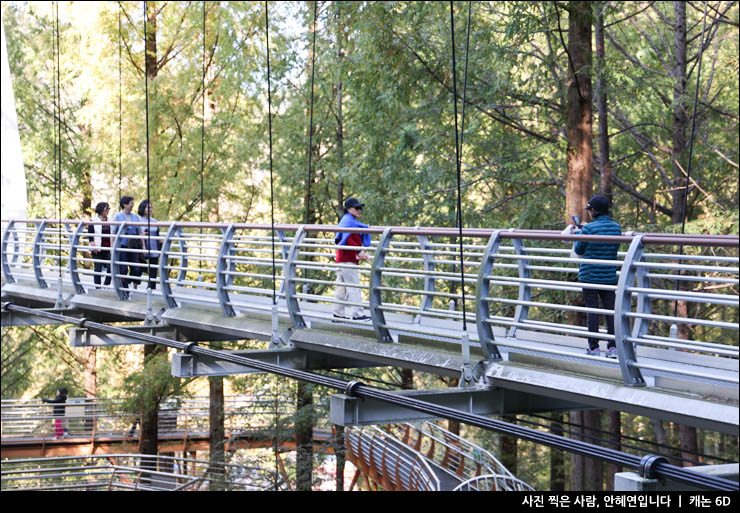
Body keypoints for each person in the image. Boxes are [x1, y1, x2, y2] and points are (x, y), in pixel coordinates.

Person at [571, 195, 622, 358]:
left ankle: (594, 348)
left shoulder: (588, 229)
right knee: (611, 311)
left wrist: (580, 233)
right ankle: (613, 347)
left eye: (590, 210)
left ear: (594, 211)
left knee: (592, 312)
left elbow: (579, 250)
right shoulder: (616, 228)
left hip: (589, 276)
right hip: (608, 276)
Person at [333, 197, 372, 321]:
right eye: (357, 208)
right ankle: (358, 314)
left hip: (341, 258)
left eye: (360, 208)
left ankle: (338, 314)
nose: (359, 210)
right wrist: (359, 251)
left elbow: (345, 239)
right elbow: (348, 240)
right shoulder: (349, 223)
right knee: (354, 286)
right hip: (347, 259)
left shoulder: (347, 221)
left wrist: (359, 252)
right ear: (348, 209)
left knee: (341, 288)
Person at [111, 196, 142, 292]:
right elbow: (112, 233)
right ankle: (125, 290)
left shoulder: (136, 217)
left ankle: (129, 281)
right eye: (131, 203)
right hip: (122, 246)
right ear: (125, 204)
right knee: (123, 268)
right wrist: (112, 248)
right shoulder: (117, 217)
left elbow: (139, 231)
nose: (132, 205)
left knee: (136, 268)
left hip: (133, 246)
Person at [88, 202, 112, 288]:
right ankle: (97, 287)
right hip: (98, 248)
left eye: (108, 209)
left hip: (109, 249)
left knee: (111, 266)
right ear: (101, 210)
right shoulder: (93, 220)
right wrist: (93, 246)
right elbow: (90, 235)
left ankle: (106, 284)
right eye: (106, 209)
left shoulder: (111, 221)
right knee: (97, 269)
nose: (108, 211)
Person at [137, 200, 160, 289]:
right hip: (143, 247)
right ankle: (135, 283)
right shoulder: (138, 221)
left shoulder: (154, 221)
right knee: (139, 267)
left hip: (153, 246)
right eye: (148, 207)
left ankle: (151, 287)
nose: (150, 209)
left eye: (151, 207)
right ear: (143, 208)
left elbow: (157, 234)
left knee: (153, 268)